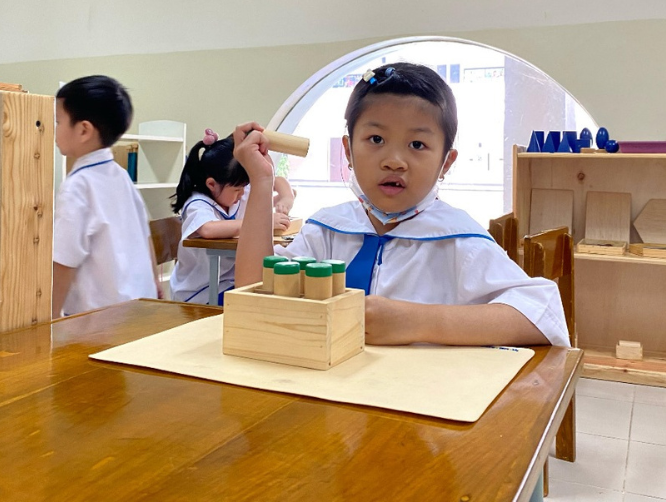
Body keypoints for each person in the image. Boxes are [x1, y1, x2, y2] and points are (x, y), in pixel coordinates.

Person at [233, 62, 569, 347]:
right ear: (348, 151)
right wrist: (261, 182)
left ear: (446, 162)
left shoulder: (459, 240)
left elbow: (542, 315)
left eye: (417, 144)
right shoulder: (327, 231)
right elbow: (252, 294)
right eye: (376, 139)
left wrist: (418, 321)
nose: (394, 160)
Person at [52, 75, 161, 318]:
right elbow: (144, 234)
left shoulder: (77, 186)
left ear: (83, 130)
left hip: (100, 321)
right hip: (139, 308)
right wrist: (154, 282)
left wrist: (50, 316)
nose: (54, 129)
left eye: (58, 122)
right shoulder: (121, 176)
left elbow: (64, 261)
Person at [170, 129, 295, 304]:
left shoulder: (236, 192)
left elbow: (278, 181)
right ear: (212, 184)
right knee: (258, 302)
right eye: (237, 189)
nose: (242, 193)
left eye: (244, 187)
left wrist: (286, 197)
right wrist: (261, 223)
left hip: (229, 282)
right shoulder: (197, 203)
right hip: (200, 292)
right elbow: (208, 229)